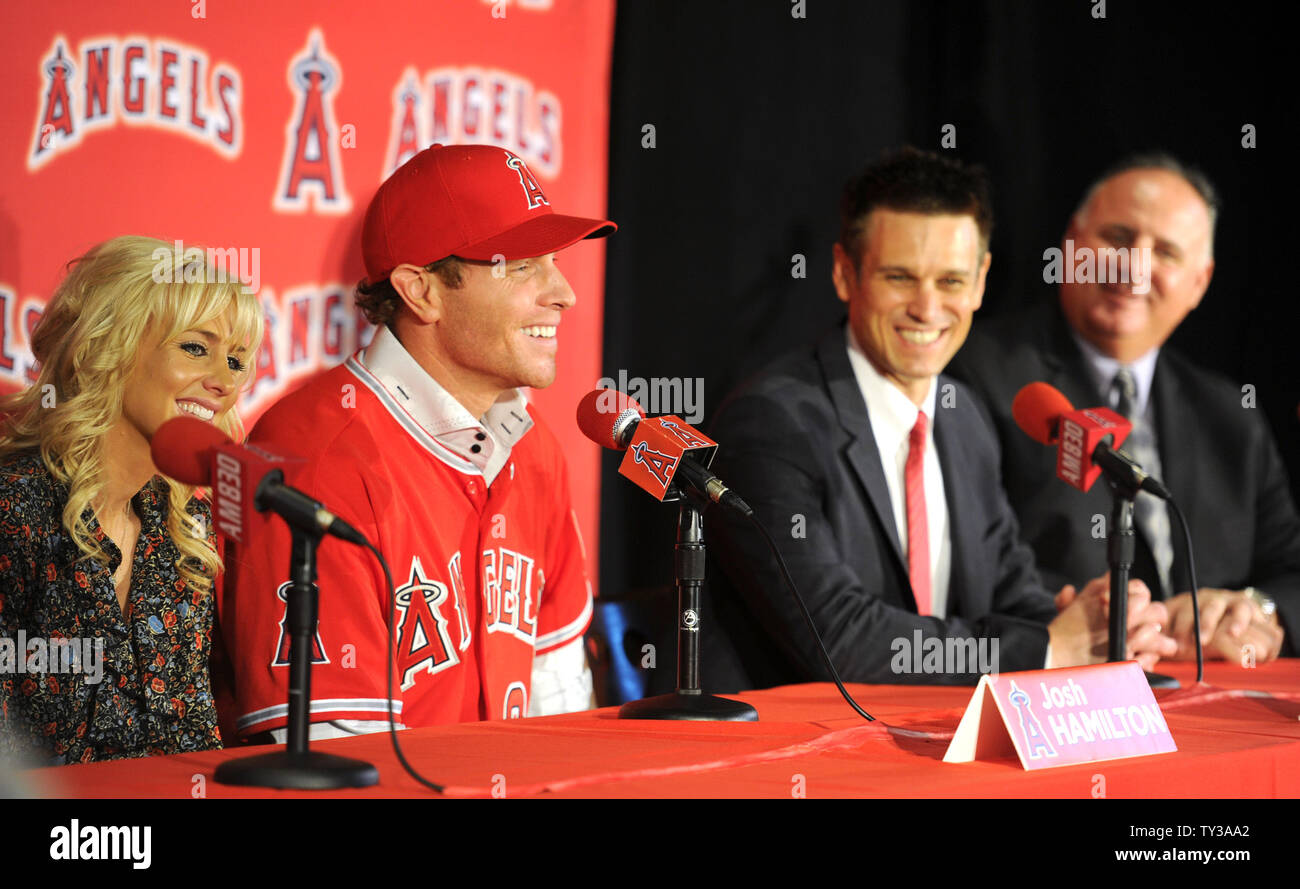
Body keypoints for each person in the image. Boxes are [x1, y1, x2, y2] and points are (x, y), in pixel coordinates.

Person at [700, 148, 1175, 692]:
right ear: (843, 273)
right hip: (790, 757)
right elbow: (838, 639)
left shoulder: (963, 416)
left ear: (980, 282)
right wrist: (1048, 648)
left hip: (936, 750)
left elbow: (1009, 593)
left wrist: (1093, 626)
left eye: (950, 282)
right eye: (900, 277)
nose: (927, 309)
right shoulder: (771, 423)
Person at [223, 144, 615, 739]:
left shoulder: (535, 452)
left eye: (554, 261)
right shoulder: (312, 458)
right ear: (421, 290)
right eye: (523, 265)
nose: (564, 293)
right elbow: (335, 762)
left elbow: (556, 696)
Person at [948, 153, 1300, 664]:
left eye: (1167, 253)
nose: (1135, 265)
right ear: (1071, 244)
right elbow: (969, 567)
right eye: (1117, 237)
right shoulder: (977, 375)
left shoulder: (1228, 412)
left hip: (1212, 705)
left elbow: (1290, 571)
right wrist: (1123, 623)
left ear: (1199, 283)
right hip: (1059, 699)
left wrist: (1255, 611)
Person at [0, 235, 263, 764]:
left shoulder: (186, 523)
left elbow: (194, 733)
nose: (223, 383)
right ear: (106, 348)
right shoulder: (14, 510)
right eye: (196, 347)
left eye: (236, 361)